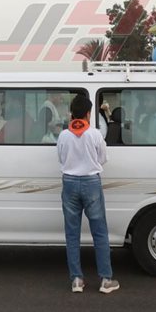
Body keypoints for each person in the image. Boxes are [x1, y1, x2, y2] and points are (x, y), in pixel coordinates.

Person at [57, 94, 119, 294]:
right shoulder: (95, 134)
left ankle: (76, 279)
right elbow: (103, 158)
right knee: (99, 232)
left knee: (72, 233)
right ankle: (106, 280)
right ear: (88, 114)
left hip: (69, 182)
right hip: (91, 182)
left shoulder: (64, 135)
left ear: (71, 114)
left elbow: (61, 158)